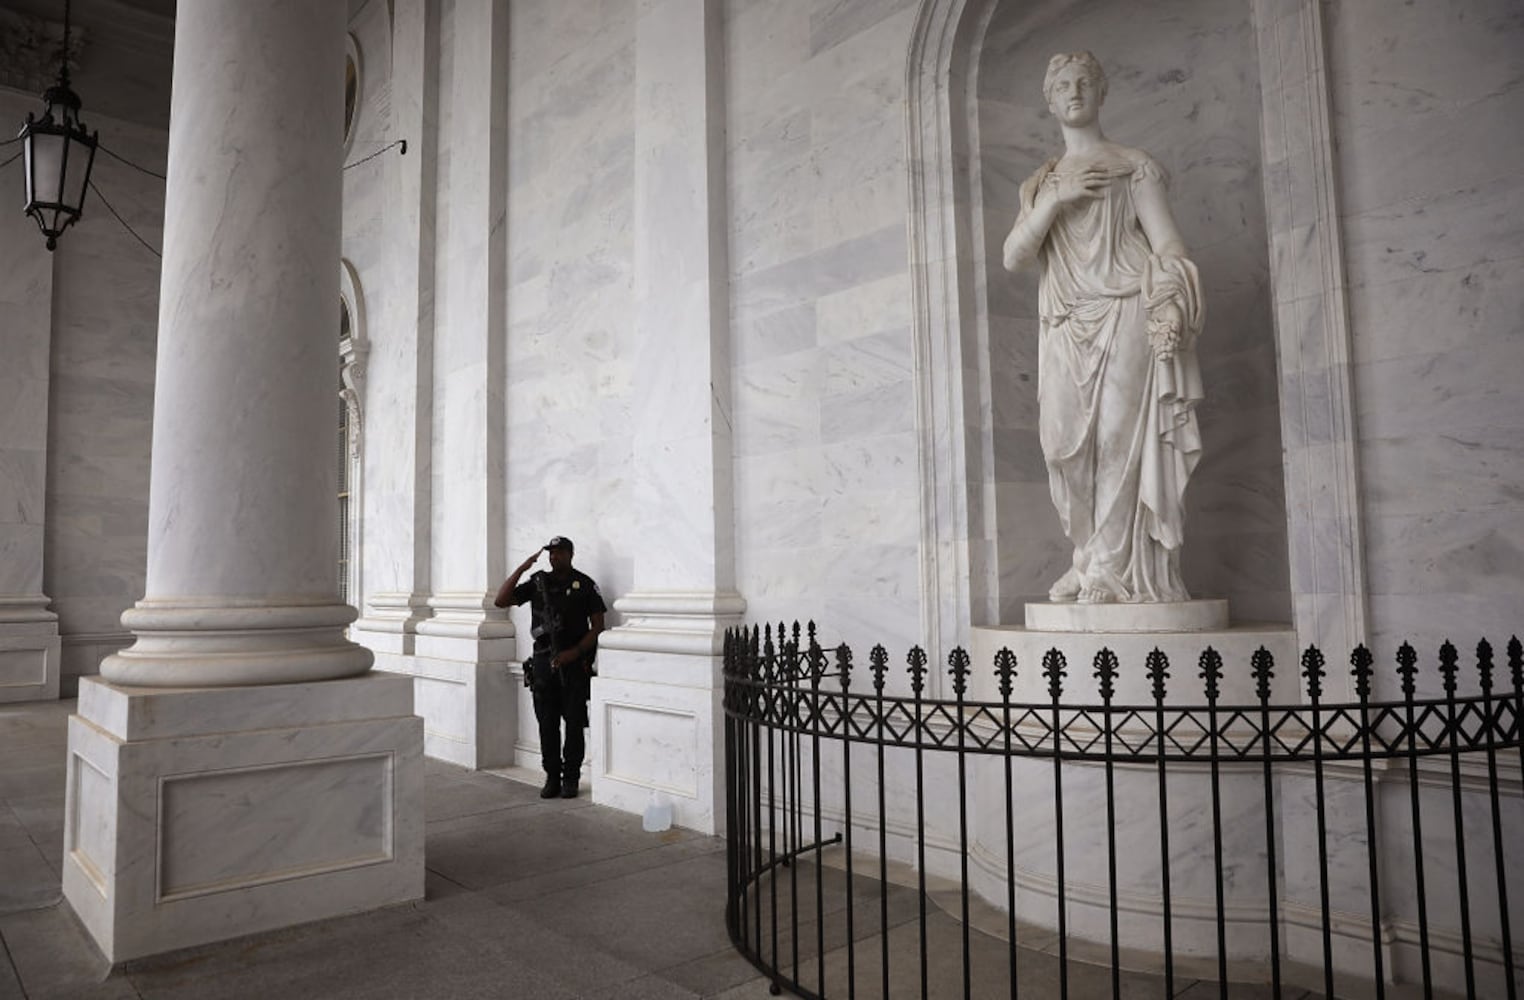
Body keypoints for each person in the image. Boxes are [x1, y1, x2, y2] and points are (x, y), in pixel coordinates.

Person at [1002, 51, 1205, 605]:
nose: (1075, 90)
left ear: (1101, 92)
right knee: (1062, 448)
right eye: (1063, 84)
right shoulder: (1039, 184)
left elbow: (1167, 243)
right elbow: (1014, 256)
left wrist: (1169, 289)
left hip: (1124, 312)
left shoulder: (1133, 165)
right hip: (1065, 324)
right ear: (1050, 99)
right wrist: (1054, 203)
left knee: (1117, 441)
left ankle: (1109, 570)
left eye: (1085, 81)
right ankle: (1086, 553)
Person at [494, 536, 606, 798]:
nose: (554, 557)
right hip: (544, 663)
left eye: (559, 552)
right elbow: (501, 600)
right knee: (547, 724)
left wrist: (575, 652)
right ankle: (552, 776)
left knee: (574, 724)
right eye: (551, 553)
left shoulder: (585, 584)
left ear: (570, 554)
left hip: (574, 664)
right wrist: (523, 568)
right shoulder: (537, 582)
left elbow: (598, 626)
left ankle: (571, 779)